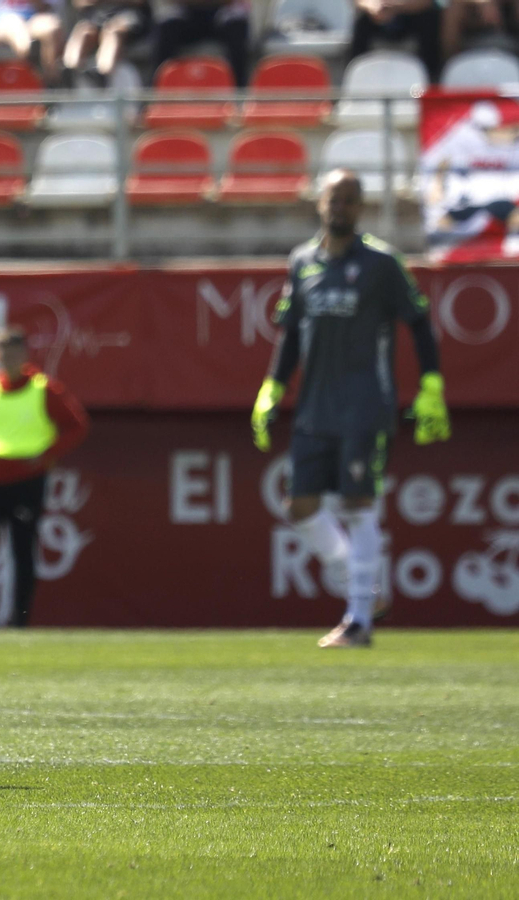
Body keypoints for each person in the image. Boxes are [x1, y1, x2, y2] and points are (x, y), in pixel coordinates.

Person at [251, 169, 450, 649]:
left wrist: (431, 386)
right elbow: (293, 333)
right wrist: (272, 387)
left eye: (350, 200)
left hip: (365, 405)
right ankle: (365, 587)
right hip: (314, 408)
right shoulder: (302, 262)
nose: (340, 207)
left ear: (361, 208)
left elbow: (420, 323)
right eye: (333, 199)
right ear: (319, 203)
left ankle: (359, 620)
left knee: (359, 506)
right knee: (300, 507)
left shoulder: (382, 263)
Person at [0, 326, 88, 628]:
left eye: (14, 351)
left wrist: (48, 453)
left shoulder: (43, 387)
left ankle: (19, 620)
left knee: (23, 549)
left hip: (28, 479)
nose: (8, 358)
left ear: (25, 354)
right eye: (2, 351)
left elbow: (76, 424)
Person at [153, 0, 250, 87]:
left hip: (221, 14)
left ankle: (239, 91)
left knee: (238, 28)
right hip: (186, 14)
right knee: (167, 29)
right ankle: (159, 89)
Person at [349, 0, 442, 84]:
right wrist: (373, 7)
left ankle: (432, 80)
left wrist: (395, 7)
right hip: (377, 17)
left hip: (412, 15)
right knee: (361, 21)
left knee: (429, 19)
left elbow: (426, 2)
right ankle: (354, 83)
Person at [63, 0, 151, 87]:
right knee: (84, 32)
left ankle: (102, 75)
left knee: (112, 32)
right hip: (100, 16)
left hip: (128, 17)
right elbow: (79, 3)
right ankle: (69, 71)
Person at [0, 0, 65, 84]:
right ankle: (28, 83)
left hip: (33, 18)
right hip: (3, 20)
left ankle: (51, 84)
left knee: (52, 29)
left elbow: (49, 7)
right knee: (20, 36)